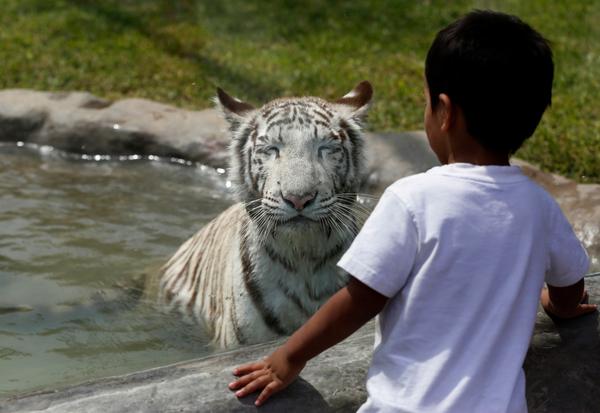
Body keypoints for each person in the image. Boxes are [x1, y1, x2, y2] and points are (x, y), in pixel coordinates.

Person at [227, 10, 596, 412]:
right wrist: (561, 305)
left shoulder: (411, 198)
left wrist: (290, 356)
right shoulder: (539, 205)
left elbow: (360, 300)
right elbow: (569, 283)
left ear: (444, 111)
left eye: (424, 102)